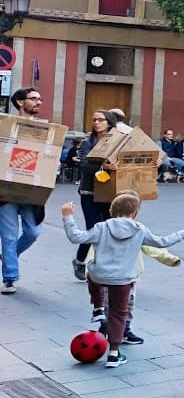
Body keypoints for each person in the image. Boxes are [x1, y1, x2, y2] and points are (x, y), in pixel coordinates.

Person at [62, 192, 184, 368]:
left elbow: (76, 237)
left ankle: (98, 308)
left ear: (111, 211)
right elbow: (161, 242)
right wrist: (183, 232)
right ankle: (113, 354)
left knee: (90, 273)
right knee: (119, 315)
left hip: (100, 275)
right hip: (124, 279)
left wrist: (68, 216)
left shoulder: (101, 227)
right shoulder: (140, 229)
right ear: (135, 213)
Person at [0, 87, 46, 294]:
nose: (39, 102)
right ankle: (10, 277)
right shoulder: (5, 126)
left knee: (33, 232)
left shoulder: (46, 130)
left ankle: (9, 256)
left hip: (30, 192)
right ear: (20, 102)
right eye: (34, 98)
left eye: (39, 99)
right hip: (6, 192)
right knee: (9, 237)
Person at [71, 110, 117, 283]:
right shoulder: (87, 143)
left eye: (100, 120)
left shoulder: (117, 142)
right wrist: (104, 166)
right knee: (93, 228)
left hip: (109, 192)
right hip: (89, 191)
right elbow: (84, 164)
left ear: (109, 123)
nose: (96, 122)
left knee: (107, 229)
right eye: (94, 120)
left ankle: (102, 265)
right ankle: (79, 260)